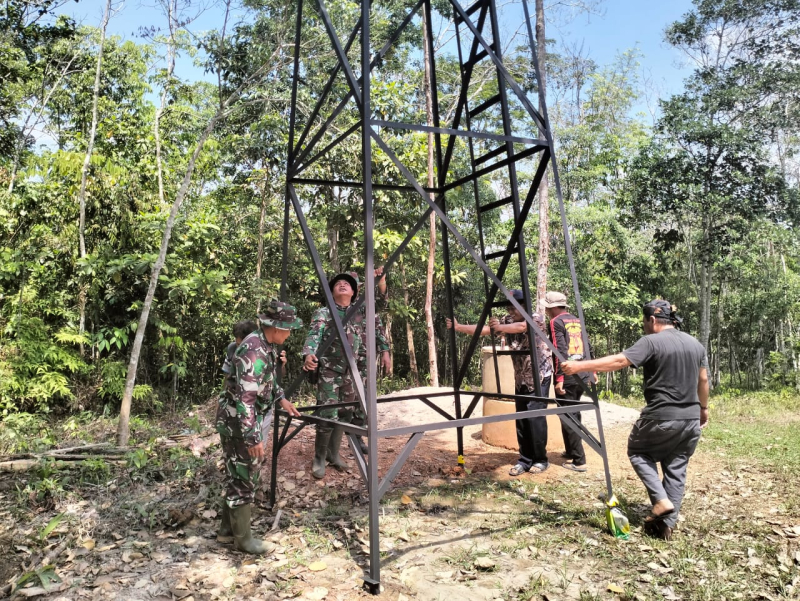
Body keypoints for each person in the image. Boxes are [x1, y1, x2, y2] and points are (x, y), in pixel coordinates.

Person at [562, 300, 708, 540]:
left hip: (660, 415)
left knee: (638, 452)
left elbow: (620, 361)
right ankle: (666, 527)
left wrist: (580, 366)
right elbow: (703, 381)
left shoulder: (651, 341)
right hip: (691, 418)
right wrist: (703, 408)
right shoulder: (696, 344)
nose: (644, 326)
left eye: (644, 321)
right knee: (676, 468)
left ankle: (661, 501)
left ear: (652, 320)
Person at [215, 301, 303, 554]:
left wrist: (281, 399)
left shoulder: (265, 345)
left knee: (238, 474)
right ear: (276, 327)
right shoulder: (254, 350)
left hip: (240, 422)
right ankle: (244, 541)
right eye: (288, 329)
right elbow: (245, 400)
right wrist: (253, 438)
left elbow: (267, 381)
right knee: (245, 476)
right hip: (239, 424)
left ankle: (227, 531)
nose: (289, 334)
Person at [446, 289, 553, 476]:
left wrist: (501, 327)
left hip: (539, 376)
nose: (511, 311)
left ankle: (540, 459)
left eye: (514, 308)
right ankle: (525, 460)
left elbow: (522, 327)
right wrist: (459, 327)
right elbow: (485, 330)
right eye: (508, 308)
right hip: (521, 376)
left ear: (524, 305)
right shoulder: (508, 320)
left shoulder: (536, 318)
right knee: (522, 419)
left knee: (535, 418)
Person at [302, 273, 365, 479]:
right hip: (329, 370)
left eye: (347, 283)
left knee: (346, 412)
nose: (342, 285)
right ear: (331, 292)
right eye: (338, 283)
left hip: (351, 371)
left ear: (354, 292)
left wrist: (380, 281)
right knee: (327, 413)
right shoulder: (324, 312)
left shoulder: (359, 312)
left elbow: (381, 304)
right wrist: (308, 354)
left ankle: (333, 454)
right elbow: (314, 334)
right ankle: (319, 457)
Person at [544, 291, 591, 472]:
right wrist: (592, 370)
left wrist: (559, 378)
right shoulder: (577, 320)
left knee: (567, 415)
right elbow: (587, 346)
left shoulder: (556, 322)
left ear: (552, 308)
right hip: (582, 372)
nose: (547, 311)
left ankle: (579, 460)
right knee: (572, 412)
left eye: (547, 308)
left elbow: (559, 351)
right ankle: (571, 450)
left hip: (568, 375)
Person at [350, 268, 392, 454]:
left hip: (364, 360)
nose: (355, 290)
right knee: (342, 400)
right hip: (341, 362)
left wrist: (385, 351)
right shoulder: (336, 308)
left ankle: (357, 436)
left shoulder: (365, 306)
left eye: (357, 287)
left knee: (364, 397)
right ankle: (329, 445)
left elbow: (378, 320)